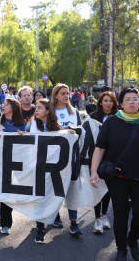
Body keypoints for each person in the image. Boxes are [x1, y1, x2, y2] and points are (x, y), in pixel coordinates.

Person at [90, 87, 139, 261]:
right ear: (121, 103)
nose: (132, 102)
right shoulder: (111, 122)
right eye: (128, 99)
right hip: (118, 178)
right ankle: (122, 248)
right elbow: (100, 148)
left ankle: (133, 240)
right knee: (121, 214)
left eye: (135, 99)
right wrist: (94, 171)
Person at [0, 97, 26, 235]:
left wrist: (23, 135)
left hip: (16, 162)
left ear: (13, 107)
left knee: (10, 192)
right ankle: (5, 222)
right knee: (4, 192)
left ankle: (6, 221)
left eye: (6, 104)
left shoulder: (21, 124)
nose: (3, 106)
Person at [22, 99, 61, 243]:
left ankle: (53, 216)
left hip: (52, 167)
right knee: (39, 196)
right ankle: (40, 228)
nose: (36, 110)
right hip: (36, 166)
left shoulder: (56, 126)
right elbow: (25, 139)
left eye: (39, 108)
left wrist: (69, 132)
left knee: (50, 195)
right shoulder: (31, 124)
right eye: (36, 107)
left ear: (48, 110)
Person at [51, 83, 82, 236]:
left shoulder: (74, 111)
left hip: (72, 155)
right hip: (54, 156)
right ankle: (55, 215)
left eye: (67, 93)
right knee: (56, 187)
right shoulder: (50, 110)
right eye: (62, 93)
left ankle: (73, 222)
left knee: (72, 188)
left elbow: (80, 132)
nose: (66, 95)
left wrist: (74, 131)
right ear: (56, 95)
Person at [88, 91, 118, 234]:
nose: (108, 103)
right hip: (96, 155)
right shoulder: (93, 117)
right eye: (105, 100)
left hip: (112, 157)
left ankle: (105, 214)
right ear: (100, 102)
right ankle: (97, 218)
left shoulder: (118, 117)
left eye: (111, 101)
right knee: (96, 187)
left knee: (108, 189)